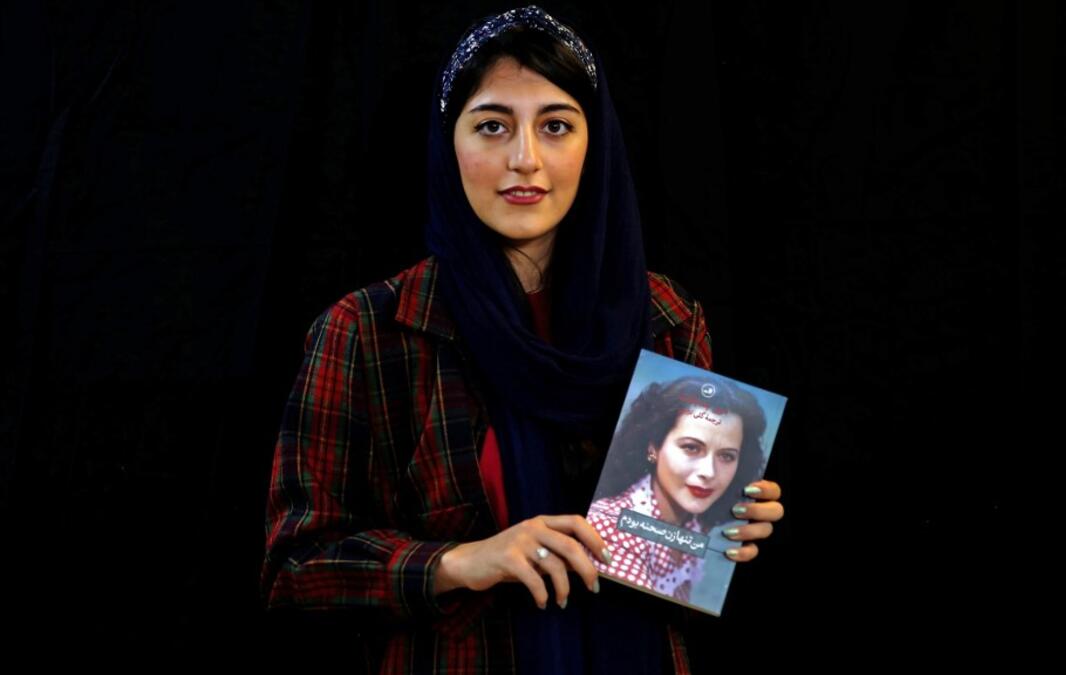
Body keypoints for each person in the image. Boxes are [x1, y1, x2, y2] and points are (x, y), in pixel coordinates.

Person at [261, 6, 784, 674]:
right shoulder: (368, 328)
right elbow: (293, 567)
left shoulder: (667, 317)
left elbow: (673, 571)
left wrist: (720, 526)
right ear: (449, 144)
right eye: (492, 126)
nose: (525, 159)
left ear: (595, 145)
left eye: (556, 126)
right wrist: (459, 561)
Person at [586, 376, 768, 604]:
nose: (709, 472)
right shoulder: (610, 528)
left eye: (726, 456)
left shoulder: (693, 523)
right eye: (691, 448)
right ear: (653, 447)